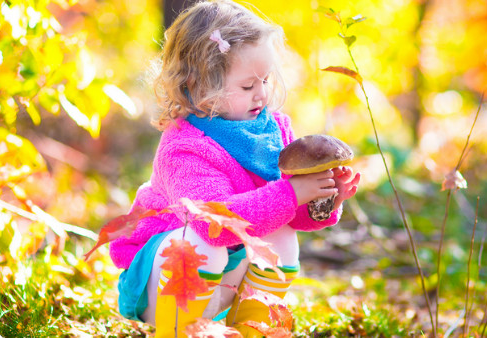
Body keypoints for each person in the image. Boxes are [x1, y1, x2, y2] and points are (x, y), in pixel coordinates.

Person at [109, 1, 361, 337]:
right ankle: (178, 332)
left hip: (222, 281)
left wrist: (323, 198)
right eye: (247, 86)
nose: (261, 94)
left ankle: (252, 327)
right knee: (201, 242)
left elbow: (285, 213)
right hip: (162, 283)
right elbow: (215, 226)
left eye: (266, 80)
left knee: (283, 236)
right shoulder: (184, 148)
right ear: (200, 87)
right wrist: (291, 192)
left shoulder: (273, 131)